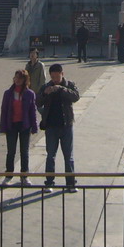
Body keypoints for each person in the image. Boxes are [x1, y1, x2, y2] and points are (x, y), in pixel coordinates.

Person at [39, 63, 80, 194]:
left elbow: (76, 96)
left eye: (57, 76)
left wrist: (61, 89)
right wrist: (45, 93)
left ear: (62, 74)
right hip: (51, 126)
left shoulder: (69, 85)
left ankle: (71, 183)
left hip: (66, 125)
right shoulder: (46, 86)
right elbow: (37, 102)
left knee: (69, 156)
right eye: (53, 77)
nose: (55, 79)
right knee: (51, 155)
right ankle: (49, 182)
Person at [0, 70, 38, 185]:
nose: (17, 80)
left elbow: (33, 111)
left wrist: (34, 126)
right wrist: (3, 127)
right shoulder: (8, 93)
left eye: (20, 78)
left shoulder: (30, 93)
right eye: (16, 78)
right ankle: (9, 175)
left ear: (25, 80)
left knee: (24, 151)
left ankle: (24, 175)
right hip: (11, 125)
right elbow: (4, 111)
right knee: (11, 151)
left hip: (24, 125)